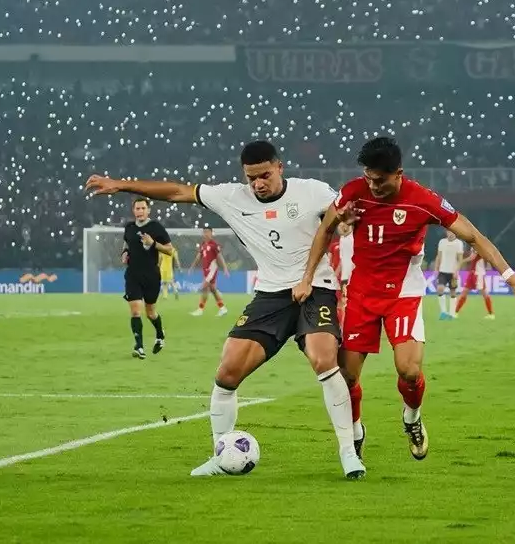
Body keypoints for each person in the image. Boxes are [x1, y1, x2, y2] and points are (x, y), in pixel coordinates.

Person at [85, 140, 366, 479]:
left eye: (264, 175)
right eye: (251, 178)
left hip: (316, 287)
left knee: (324, 360)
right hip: (270, 294)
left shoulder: (313, 191)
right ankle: (220, 455)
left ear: (279, 167)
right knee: (227, 372)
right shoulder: (232, 197)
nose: (258, 184)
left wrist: (346, 223)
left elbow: (343, 218)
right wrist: (121, 185)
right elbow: (178, 192)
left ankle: (348, 452)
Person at [294, 137, 515, 461]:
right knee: (348, 375)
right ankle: (355, 433)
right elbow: (325, 229)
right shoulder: (353, 192)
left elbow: (474, 236)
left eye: (380, 180)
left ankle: (411, 419)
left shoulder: (423, 200)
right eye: (368, 178)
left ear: (398, 174)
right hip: (360, 292)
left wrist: (508, 275)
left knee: (409, 371)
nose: (373, 186)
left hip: (403, 293)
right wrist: (306, 277)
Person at [122, 199, 174, 359]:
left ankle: (160, 334)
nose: (140, 211)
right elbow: (126, 243)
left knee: (150, 312)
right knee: (135, 311)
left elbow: (170, 250)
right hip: (133, 274)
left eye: (143, 208)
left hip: (151, 275)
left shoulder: (156, 227)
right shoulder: (129, 227)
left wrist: (153, 243)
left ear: (148, 210)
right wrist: (124, 253)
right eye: (137, 208)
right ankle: (139, 347)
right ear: (133, 210)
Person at [189, 228, 229, 317]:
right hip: (206, 270)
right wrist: (192, 266)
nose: (206, 234)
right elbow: (198, 257)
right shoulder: (203, 244)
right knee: (213, 289)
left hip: (212, 269)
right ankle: (223, 308)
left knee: (204, 287)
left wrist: (225, 268)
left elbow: (220, 257)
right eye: (204, 232)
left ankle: (200, 310)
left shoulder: (214, 245)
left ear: (211, 233)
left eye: (207, 232)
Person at [453, 248, 495, 320]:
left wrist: (462, 261)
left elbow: (472, 257)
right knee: (464, 292)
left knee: (484, 293)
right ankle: (455, 313)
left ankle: (491, 314)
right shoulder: (474, 245)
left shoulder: (477, 246)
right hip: (472, 273)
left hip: (478, 273)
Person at [433, 230, 464, 320]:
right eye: (449, 232)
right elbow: (438, 256)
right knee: (440, 288)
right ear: (446, 232)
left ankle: (452, 313)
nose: (450, 233)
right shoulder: (442, 242)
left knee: (453, 291)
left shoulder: (459, 243)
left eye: (452, 232)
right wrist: (436, 268)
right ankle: (443, 312)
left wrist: (456, 271)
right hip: (443, 271)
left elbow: (460, 259)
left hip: (453, 272)